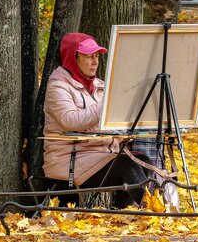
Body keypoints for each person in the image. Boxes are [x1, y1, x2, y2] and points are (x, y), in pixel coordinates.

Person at [43, 32, 149, 208]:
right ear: (72, 58)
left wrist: (124, 128)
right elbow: (69, 120)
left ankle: (121, 214)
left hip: (101, 154)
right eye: (88, 56)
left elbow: (109, 121)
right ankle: (147, 212)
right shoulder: (58, 86)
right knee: (127, 165)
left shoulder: (100, 86)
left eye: (96, 56)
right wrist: (107, 106)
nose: (95, 62)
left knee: (143, 161)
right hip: (70, 159)